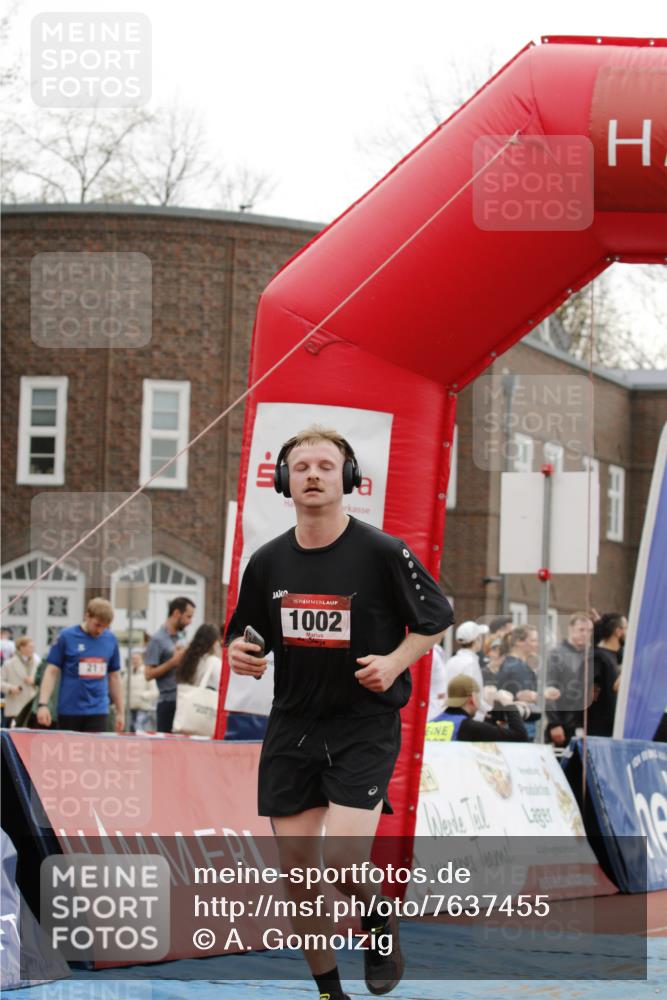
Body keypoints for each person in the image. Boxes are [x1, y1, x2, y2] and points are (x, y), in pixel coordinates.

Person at [226, 425, 453, 1000]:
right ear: (284, 480)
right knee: (300, 876)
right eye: (301, 467)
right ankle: (330, 992)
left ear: (348, 479)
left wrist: (397, 662)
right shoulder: (268, 560)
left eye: (327, 466)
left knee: (346, 861)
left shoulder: (382, 551)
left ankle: (378, 925)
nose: (313, 476)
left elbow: (435, 619)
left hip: (362, 725)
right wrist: (242, 656)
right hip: (293, 726)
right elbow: (244, 638)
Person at [36, 598, 124, 733]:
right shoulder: (66, 636)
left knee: (94, 752)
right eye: (97, 624)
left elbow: (115, 677)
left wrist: (120, 712)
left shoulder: (110, 639)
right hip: (70, 710)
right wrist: (43, 704)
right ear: (87, 616)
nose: (100, 630)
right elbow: (51, 671)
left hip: (98, 709)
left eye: (105, 627)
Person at [144, 596, 195, 732]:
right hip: (167, 702)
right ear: (176, 613)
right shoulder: (157, 640)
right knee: (164, 749)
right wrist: (173, 662)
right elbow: (148, 674)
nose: (190, 622)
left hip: (183, 699)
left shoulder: (181, 637)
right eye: (188, 617)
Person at [426, 674, 529, 742]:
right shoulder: (468, 727)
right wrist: (509, 704)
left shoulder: (430, 725)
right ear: (473, 699)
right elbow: (520, 736)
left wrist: (491, 716)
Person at [545, 613, 594, 747]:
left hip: (586, 723)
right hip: (564, 723)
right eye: (581, 630)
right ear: (571, 629)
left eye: (589, 631)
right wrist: (554, 723)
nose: (585, 634)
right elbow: (549, 689)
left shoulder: (591, 655)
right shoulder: (556, 654)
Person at [438, 621, 490, 720]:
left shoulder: (452, 660)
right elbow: (472, 694)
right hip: (467, 718)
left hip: (450, 714)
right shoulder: (470, 663)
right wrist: (489, 710)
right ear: (476, 640)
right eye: (480, 637)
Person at [589, 613, 626, 736]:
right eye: (626, 628)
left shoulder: (616, 656)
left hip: (614, 727)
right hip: (599, 728)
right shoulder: (598, 657)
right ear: (618, 631)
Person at [1, 636, 39, 726]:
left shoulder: (37, 663)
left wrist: (34, 681)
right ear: (21, 647)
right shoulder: (9, 664)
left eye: (33, 647)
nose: (32, 650)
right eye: (30, 647)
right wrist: (11, 688)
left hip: (32, 708)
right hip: (15, 706)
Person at [176, 623, 222, 689]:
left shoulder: (190, 660)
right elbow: (220, 686)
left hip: (190, 697)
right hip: (207, 698)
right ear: (214, 642)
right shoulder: (214, 661)